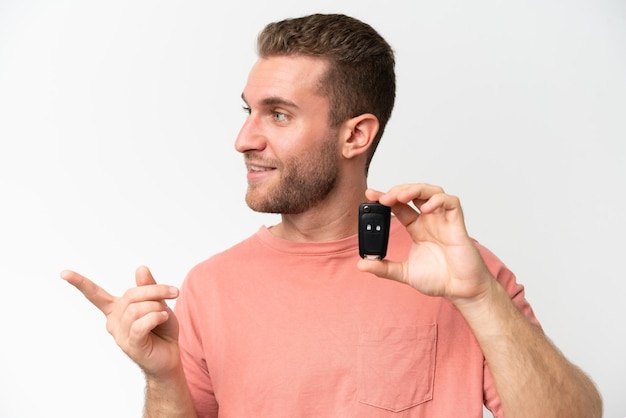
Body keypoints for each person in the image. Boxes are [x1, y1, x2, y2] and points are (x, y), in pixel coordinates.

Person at [62, 13, 602, 418]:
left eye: (278, 114)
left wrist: (481, 298)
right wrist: (162, 378)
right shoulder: (210, 287)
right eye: (248, 112)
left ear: (355, 135)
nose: (243, 140)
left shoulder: (460, 272)